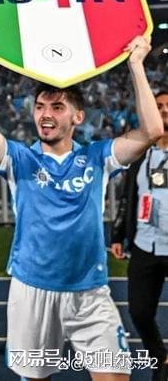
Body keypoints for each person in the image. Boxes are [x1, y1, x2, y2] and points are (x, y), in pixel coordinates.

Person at [0, 32, 163, 381]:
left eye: (57, 107)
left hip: (90, 292)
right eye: (40, 106)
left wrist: (136, 65)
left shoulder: (97, 157)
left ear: (78, 117)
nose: (46, 114)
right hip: (32, 290)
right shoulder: (20, 159)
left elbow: (151, 132)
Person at [111, 90, 168, 381]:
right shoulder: (140, 155)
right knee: (139, 312)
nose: (164, 110)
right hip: (145, 244)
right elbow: (127, 198)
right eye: (158, 106)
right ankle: (161, 359)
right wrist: (117, 234)